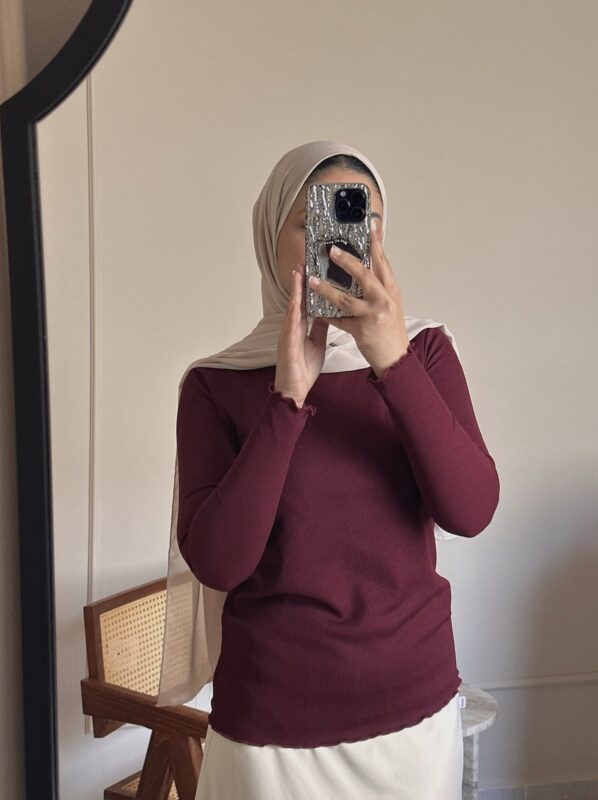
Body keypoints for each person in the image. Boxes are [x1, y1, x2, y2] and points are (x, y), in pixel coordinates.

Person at [157, 140, 500, 799]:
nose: (344, 242)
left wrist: (392, 363)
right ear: (271, 240)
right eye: (315, 220)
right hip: (271, 731)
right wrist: (288, 397)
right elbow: (219, 562)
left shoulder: (425, 351)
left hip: (414, 719)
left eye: (365, 220)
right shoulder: (214, 384)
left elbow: (471, 510)